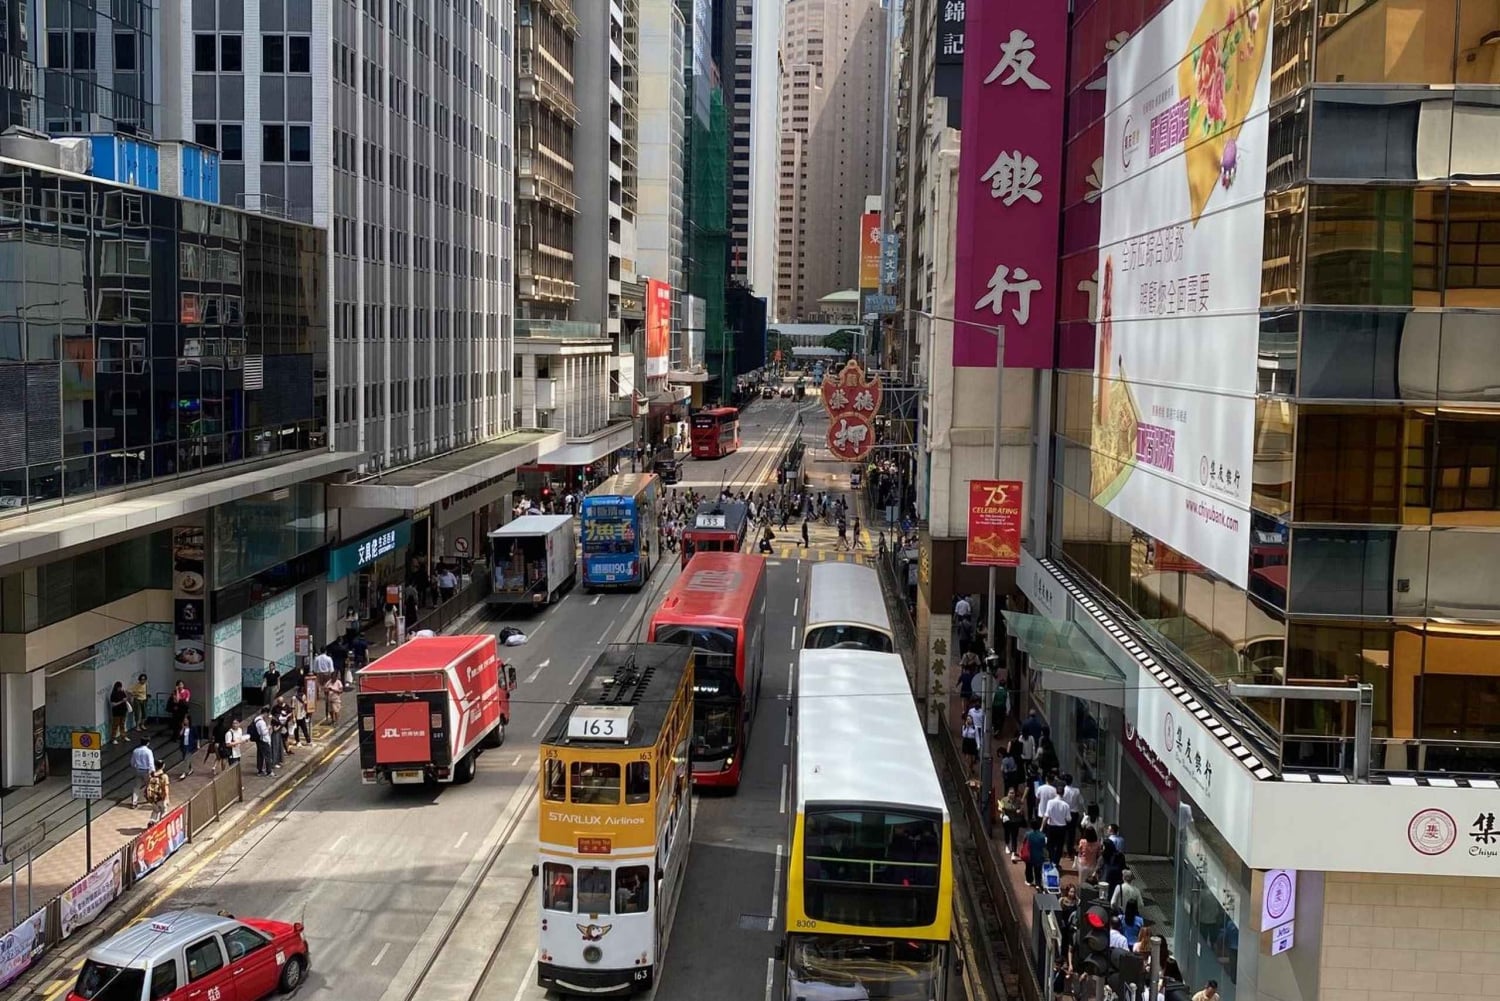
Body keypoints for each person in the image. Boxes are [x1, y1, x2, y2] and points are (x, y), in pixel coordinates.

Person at [998, 786, 1026, 861]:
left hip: (1016, 821)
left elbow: (1021, 808)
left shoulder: (1018, 801)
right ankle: (1007, 845)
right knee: (1007, 833)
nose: (1012, 794)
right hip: (1007, 821)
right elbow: (1000, 808)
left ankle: (1014, 852)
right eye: (1010, 793)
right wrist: (1001, 810)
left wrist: (1020, 811)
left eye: (1013, 793)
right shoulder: (1004, 800)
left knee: (1014, 836)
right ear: (1008, 793)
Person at [1021, 819, 1049, 891]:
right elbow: (1044, 846)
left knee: (1028, 868)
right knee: (1038, 870)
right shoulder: (1043, 836)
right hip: (1039, 855)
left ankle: (1029, 881)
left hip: (1030, 855)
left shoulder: (1028, 834)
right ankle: (1038, 883)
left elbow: (1024, 842)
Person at [129, 737, 155, 807]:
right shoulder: (148, 751)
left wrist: (135, 766)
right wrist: (153, 771)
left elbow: (132, 762)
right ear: (148, 743)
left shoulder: (135, 751)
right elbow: (151, 763)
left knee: (136, 787)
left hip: (138, 770)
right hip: (146, 771)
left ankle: (134, 802)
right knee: (149, 785)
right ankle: (149, 798)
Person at [252, 707, 275, 776]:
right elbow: (264, 733)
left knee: (260, 755)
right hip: (263, 740)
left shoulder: (256, 719)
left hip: (259, 740)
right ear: (265, 713)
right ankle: (269, 771)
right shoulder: (261, 722)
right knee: (267, 756)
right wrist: (268, 727)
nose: (268, 716)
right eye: (267, 714)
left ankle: (260, 770)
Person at [177, 713, 197, 779]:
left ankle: (184, 773)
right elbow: (180, 735)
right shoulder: (183, 727)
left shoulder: (193, 727)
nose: (185, 721)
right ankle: (191, 769)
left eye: (186, 720)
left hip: (190, 746)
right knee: (186, 758)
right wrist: (183, 728)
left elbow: (196, 736)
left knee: (186, 759)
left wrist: (198, 744)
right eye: (184, 720)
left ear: (189, 720)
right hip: (184, 746)